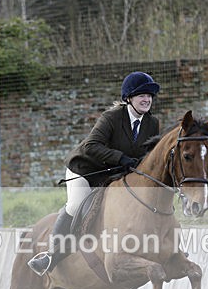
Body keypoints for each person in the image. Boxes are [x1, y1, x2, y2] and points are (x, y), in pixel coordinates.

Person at [27, 71, 161, 276]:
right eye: (142, 95)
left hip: (113, 175)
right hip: (86, 170)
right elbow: (91, 146)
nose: (147, 99)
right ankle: (51, 256)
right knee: (75, 205)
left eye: (150, 95)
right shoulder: (112, 117)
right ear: (128, 98)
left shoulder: (152, 123)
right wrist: (121, 158)